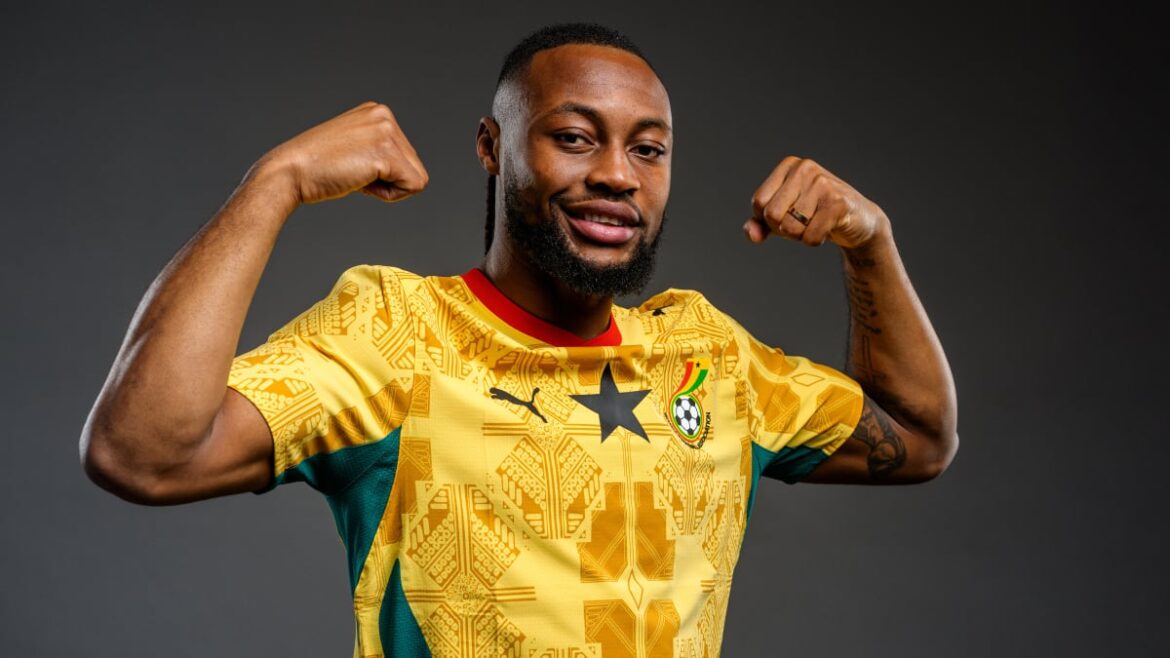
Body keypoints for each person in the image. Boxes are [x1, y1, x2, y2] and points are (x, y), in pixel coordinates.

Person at [81, 23, 958, 657]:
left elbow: (919, 436)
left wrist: (870, 244)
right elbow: (142, 454)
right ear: (492, 148)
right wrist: (274, 183)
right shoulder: (394, 337)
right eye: (575, 138)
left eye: (648, 150)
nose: (615, 173)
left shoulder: (710, 362)